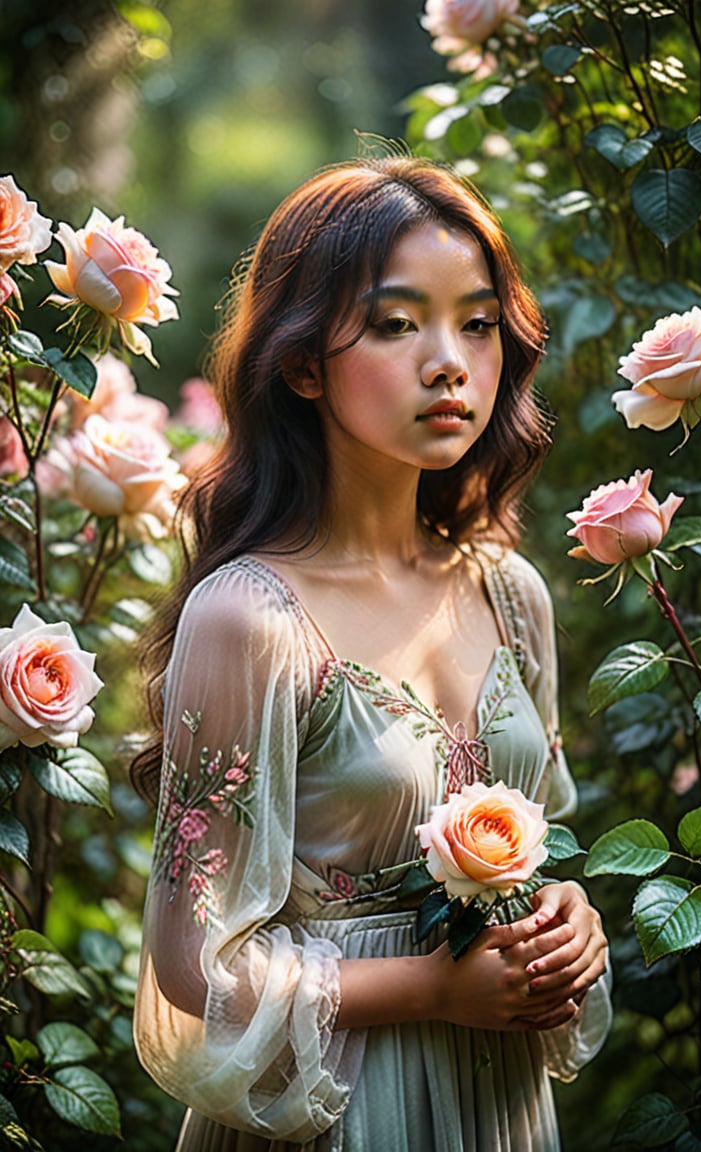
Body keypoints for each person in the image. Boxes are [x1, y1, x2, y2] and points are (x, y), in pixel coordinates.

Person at [132, 153, 611, 1152]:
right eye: (398, 324)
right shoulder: (249, 618)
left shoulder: (509, 595)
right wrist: (432, 989)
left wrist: (569, 913)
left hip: (502, 1104)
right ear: (302, 363)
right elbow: (195, 966)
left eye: (477, 323)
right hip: (336, 1105)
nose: (450, 362)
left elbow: (542, 847)